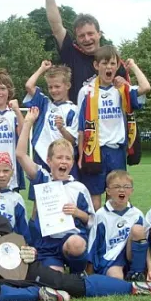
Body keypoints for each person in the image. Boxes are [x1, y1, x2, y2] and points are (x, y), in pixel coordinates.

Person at [0, 173, 151, 301]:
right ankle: (40, 294)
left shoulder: (3, 223)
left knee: (70, 283)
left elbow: (21, 249)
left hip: (22, 273)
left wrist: (28, 253)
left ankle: (134, 287)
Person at [16, 107, 93, 275]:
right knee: (53, 277)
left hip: (70, 239)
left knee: (76, 244)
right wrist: (28, 123)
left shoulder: (79, 189)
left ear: (72, 163)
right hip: (47, 243)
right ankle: (57, 270)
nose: (63, 162)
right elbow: (21, 154)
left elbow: (91, 220)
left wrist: (77, 212)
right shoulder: (42, 179)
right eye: (59, 158)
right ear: (49, 161)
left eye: (67, 158)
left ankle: (77, 271)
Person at [78, 46, 151, 211]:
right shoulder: (86, 91)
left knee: (115, 199)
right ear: (97, 66)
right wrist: (81, 155)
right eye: (105, 63)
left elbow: (145, 88)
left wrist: (132, 66)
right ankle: (96, 233)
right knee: (94, 200)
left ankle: (112, 232)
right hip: (94, 151)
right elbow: (81, 126)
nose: (109, 67)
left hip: (116, 151)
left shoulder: (122, 89)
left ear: (117, 66)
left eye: (113, 63)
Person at [42, 0, 108, 101]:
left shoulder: (112, 60)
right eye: (81, 36)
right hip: (77, 119)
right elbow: (56, 27)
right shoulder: (71, 53)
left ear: (99, 34)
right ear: (76, 38)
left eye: (90, 33)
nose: (87, 39)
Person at [87, 170, 150, 282]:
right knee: (116, 278)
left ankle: (137, 272)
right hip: (111, 257)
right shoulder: (101, 215)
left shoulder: (137, 214)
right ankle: (122, 273)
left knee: (138, 229)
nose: (121, 190)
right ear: (108, 191)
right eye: (116, 187)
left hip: (131, 255)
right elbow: (93, 243)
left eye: (126, 186)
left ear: (131, 190)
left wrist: (150, 266)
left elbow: (145, 243)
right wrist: (89, 270)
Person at [23, 60, 79, 180]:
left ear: (68, 86)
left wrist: (61, 129)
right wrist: (42, 69)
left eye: (57, 86)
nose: (53, 90)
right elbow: (29, 86)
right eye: (50, 87)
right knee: (40, 195)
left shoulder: (74, 110)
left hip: (62, 160)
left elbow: (73, 141)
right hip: (42, 157)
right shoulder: (45, 104)